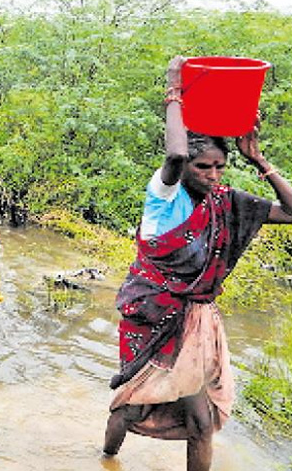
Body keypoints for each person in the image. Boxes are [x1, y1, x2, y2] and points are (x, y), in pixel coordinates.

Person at [103, 56, 292, 471]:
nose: (212, 174)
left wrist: (259, 159)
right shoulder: (163, 199)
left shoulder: (227, 202)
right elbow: (172, 155)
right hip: (153, 316)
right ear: (185, 167)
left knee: (201, 420)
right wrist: (174, 89)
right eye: (202, 166)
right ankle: (106, 458)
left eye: (220, 167)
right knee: (132, 406)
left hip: (196, 321)